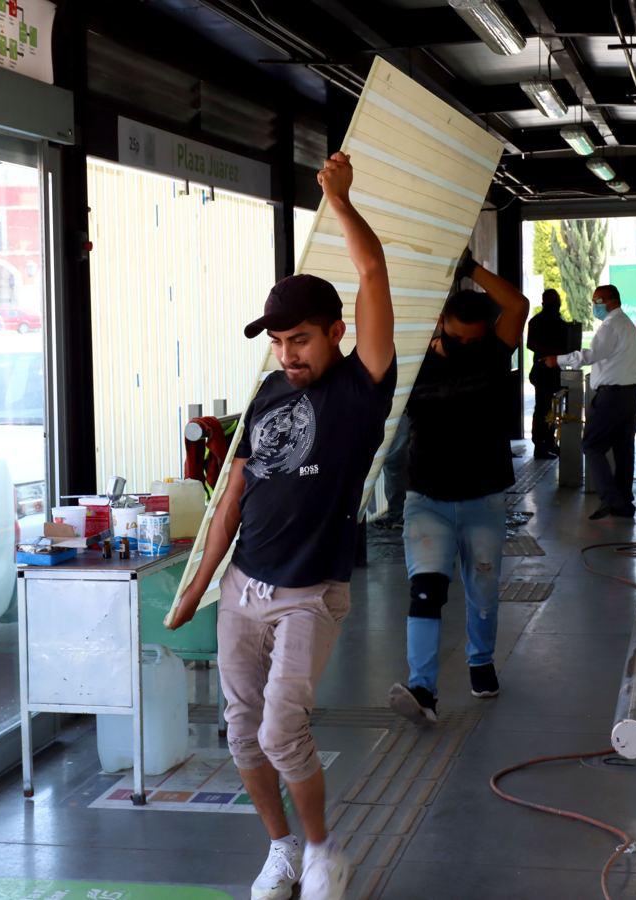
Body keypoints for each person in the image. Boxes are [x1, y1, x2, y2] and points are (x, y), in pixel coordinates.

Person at [166, 151, 395, 900]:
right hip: (242, 589)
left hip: (309, 592)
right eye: (278, 342)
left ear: (334, 333)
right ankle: (281, 850)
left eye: (301, 339)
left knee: (278, 731)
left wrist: (340, 201)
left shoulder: (363, 391)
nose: (288, 354)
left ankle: (325, 851)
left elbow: (372, 275)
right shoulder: (267, 391)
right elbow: (233, 494)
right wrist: (198, 586)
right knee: (240, 731)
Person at [387, 253, 530, 724]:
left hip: (484, 496)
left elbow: (517, 303)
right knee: (426, 590)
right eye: (455, 337)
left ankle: (480, 661)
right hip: (427, 497)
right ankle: (422, 690)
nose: (465, 345)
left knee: (483, 590)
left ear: (486, 335)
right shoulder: (413, 360)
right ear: (440, 326)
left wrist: (471, 269)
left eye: (474, 339)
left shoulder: (494, 350)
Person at [542, 284, 636, 520]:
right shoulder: (628, 325)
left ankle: (611, 498)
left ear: (611, 301)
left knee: (592, 446)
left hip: (612, 397)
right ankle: (624, 502)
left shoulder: (610, 326)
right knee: (623, 449)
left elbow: (590, 355)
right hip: (630, 396)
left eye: (598, 301)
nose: (594, 305)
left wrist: (557, 360)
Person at [525, 289, 569, 459]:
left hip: (548, 370)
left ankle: (548, 443)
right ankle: (543, 445)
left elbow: (531, 344)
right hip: (546, 370)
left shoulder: (540, 321)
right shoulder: (551, 322)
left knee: (548, 408)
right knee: (546, 408)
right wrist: (554, 353)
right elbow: (532, 344)